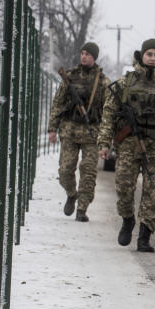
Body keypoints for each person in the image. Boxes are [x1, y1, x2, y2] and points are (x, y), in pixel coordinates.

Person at [98, 38, 155, 253]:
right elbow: (109, 114)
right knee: (123, 189)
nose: (153, 58)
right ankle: (127, 219)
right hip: (128, 145)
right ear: (141, 55)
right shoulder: (124, 83)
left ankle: (144, 237)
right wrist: (104, 142)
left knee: (152, 193)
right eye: (149, 54)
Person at [47, 42, 110, 222]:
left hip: (92, 132)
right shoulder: (70, 77)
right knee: (65, 171)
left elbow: (109, 111)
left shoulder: (103, 81)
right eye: (82, 53)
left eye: (88, 54)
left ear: (94, 57)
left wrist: (107, 138)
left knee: (88, 172)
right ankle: (71, 193)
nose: (84, 57)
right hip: (69, 130)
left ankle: (82, 208)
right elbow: (58, 103)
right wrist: (52, 128)